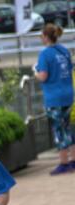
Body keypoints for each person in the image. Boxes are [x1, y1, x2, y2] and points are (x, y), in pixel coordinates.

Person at [34, 23, 74, 175]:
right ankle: (73, 160)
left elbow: (43, 76)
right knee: (67, 127)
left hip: (54, 96)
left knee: (58, 129)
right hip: (68, 93)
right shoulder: (64, 51)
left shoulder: (45, 54)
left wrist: (35, 72)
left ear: (45, 37)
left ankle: (64, 162)